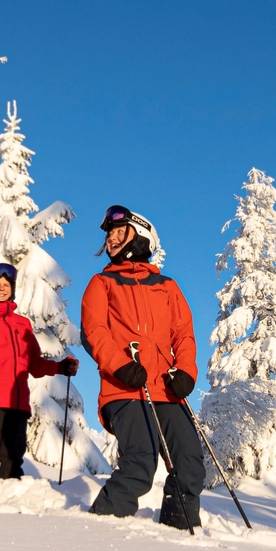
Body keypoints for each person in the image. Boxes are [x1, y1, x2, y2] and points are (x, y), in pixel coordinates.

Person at [80, 205, 204, 527]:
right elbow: (93, 332)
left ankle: (179, 533)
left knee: (190, 464)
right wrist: (121, 365)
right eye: (109, 235)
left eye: (120, 233)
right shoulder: (102, 283)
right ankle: (97, 532)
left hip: (166, 389)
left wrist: (186, 372)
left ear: (141, 237)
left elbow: (184, 334)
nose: (111, 240)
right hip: (125, 388)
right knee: (139, 463)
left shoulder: (167, 286)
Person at [0, 261, 79, 478]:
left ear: (12, 290)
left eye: (6, 285)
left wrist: (60, 367)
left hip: (18, 403)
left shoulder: (22, 324)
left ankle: (8, 505)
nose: (1, 288)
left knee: (13, 461)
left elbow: (35, 365)